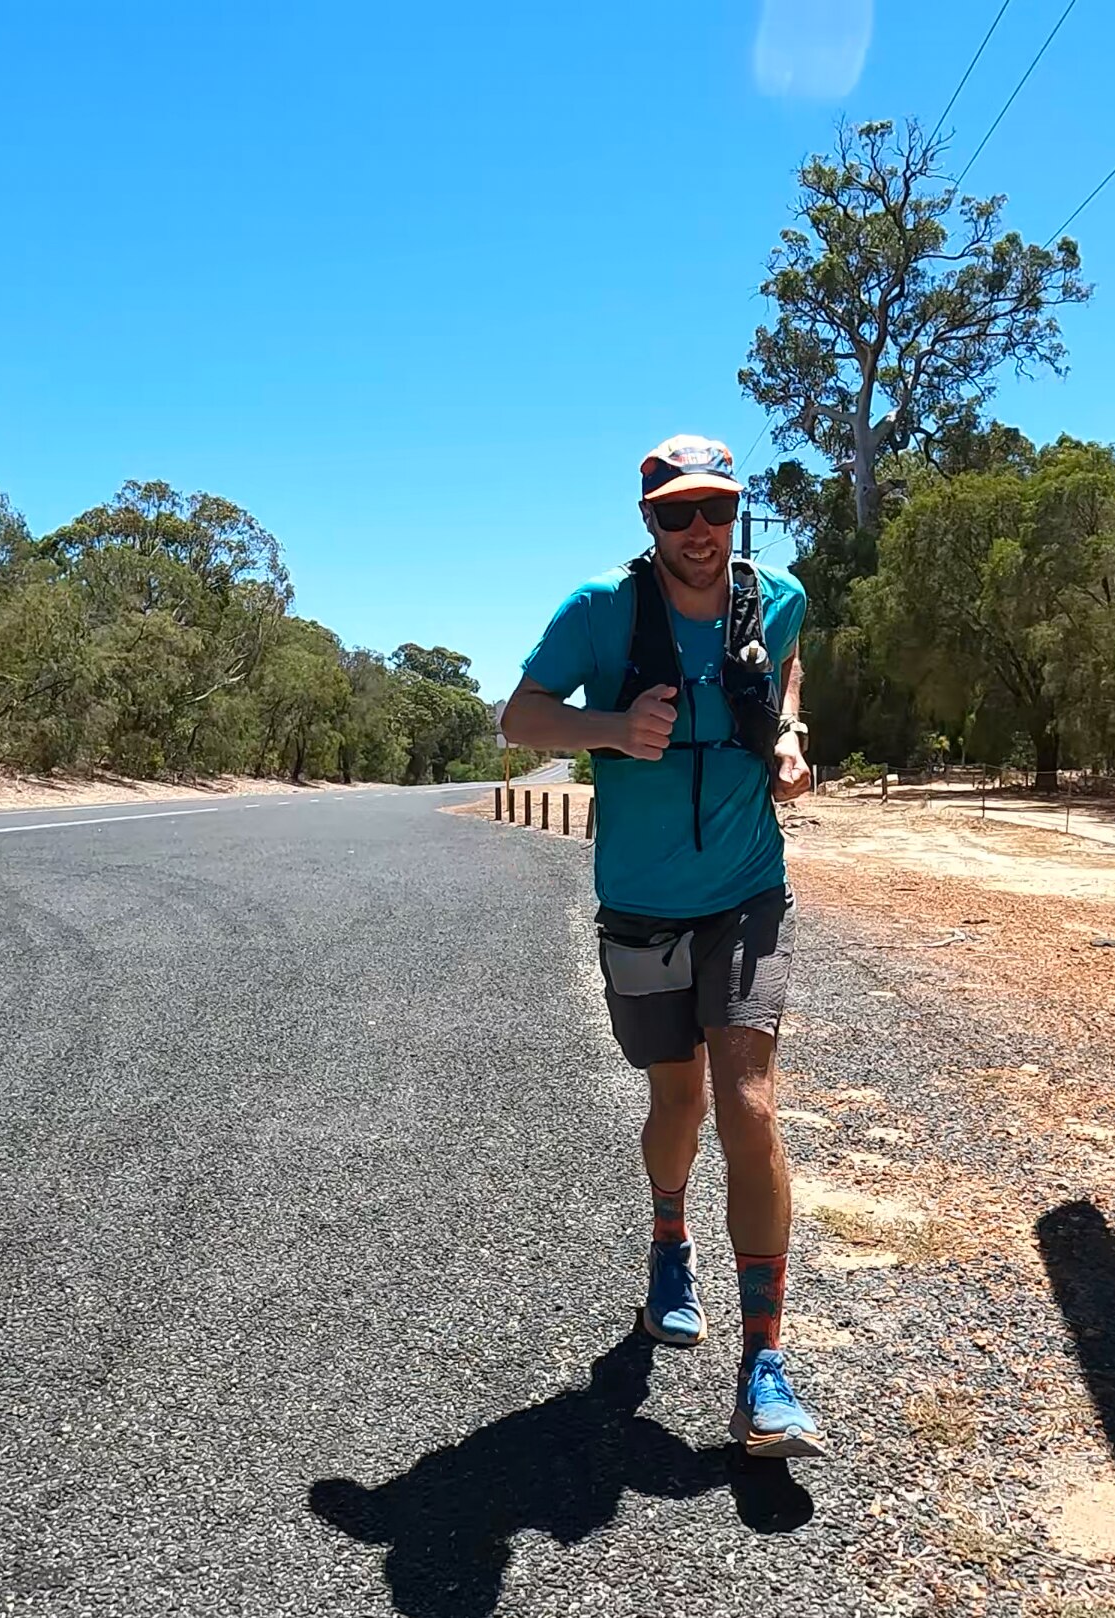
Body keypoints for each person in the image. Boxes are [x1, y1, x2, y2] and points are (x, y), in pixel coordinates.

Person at [499, 434, 823, 1458]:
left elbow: (792, 666)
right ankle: (669, 1238)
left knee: (749, 1100)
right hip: (640, 901)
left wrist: (788, 735)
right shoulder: (599, 611)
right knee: (676, 1099)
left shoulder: (778, 595)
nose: (698, 531)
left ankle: (764, 1363)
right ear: (648, 520)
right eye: (677, 513)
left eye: (716, 510)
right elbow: (518, 720)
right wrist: (606, 727)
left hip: (745, 889)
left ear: (738, 515)